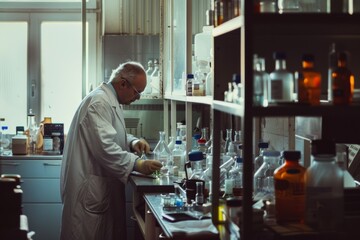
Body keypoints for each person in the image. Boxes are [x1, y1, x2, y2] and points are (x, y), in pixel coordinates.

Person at [60, 61, 162, 240]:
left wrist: (132, 142)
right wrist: (138, 164)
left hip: (99, 190)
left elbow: (108, 133)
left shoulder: (108, 100)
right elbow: (105, 148)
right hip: (90, 193)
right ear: (123, 83)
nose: (138, 98)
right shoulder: (99, 102)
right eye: (137, 92)